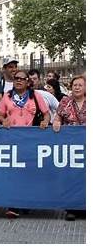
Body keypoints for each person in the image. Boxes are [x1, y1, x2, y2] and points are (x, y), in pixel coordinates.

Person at [0, 70, 50, 219]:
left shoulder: (35, 96)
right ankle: (13, 205)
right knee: (13, 173)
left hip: (30, 140)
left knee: (28, 172)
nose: (18, 80)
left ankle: (27, 203)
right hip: (11, 140)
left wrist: (45, 121)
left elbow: (46, 113)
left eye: (22, 78)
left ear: (28, 82)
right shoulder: (7, 96)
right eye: (16, 78)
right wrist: (3, 120)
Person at [52, 75, 86, 221]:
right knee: (71, 177)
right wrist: (57, 122)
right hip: (71, 147)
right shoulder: (65, 102)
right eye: (75, 85)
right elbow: (58, 117)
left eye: (80, 85)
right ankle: (72, 209)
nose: (77, 87)